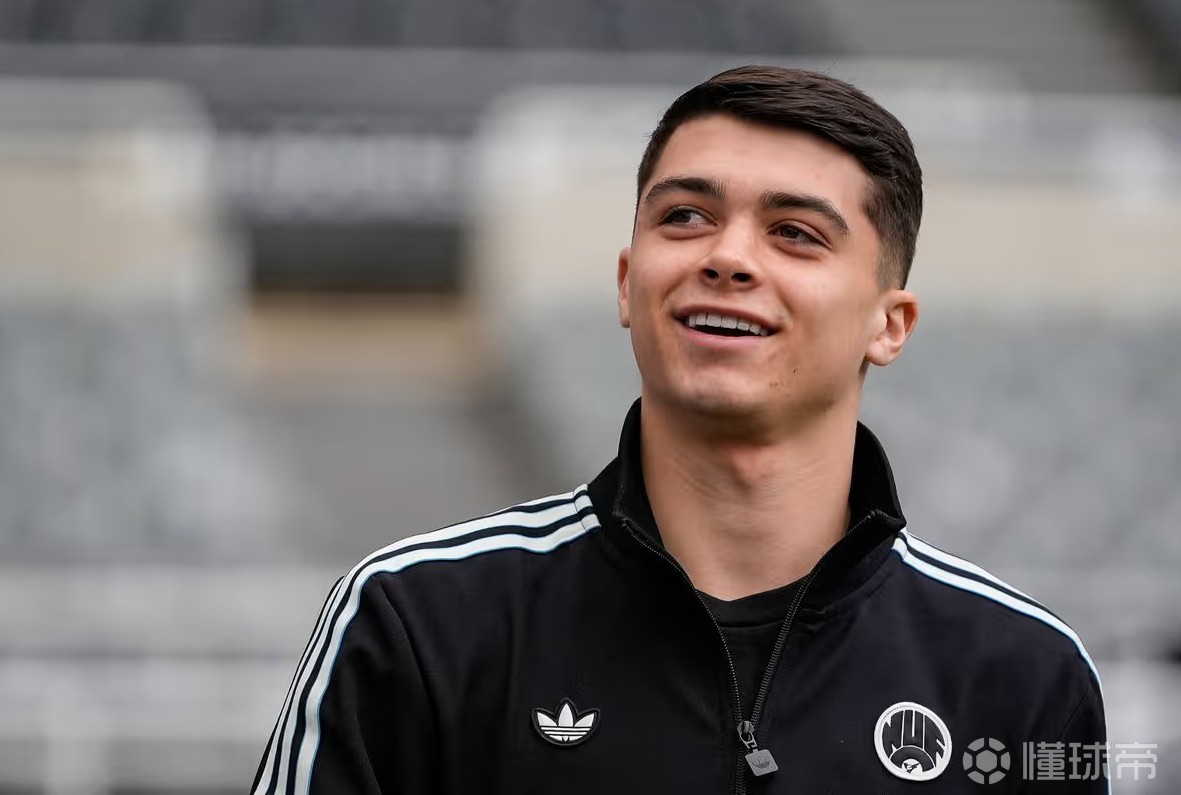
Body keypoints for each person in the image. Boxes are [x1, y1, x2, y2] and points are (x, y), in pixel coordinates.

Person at [252, 65, 1106, 794]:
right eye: (685, 217)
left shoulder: (1022, 674)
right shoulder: (416, 622)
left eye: (794, 233)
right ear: (627, 283)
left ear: (889, 325)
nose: (726, 257)